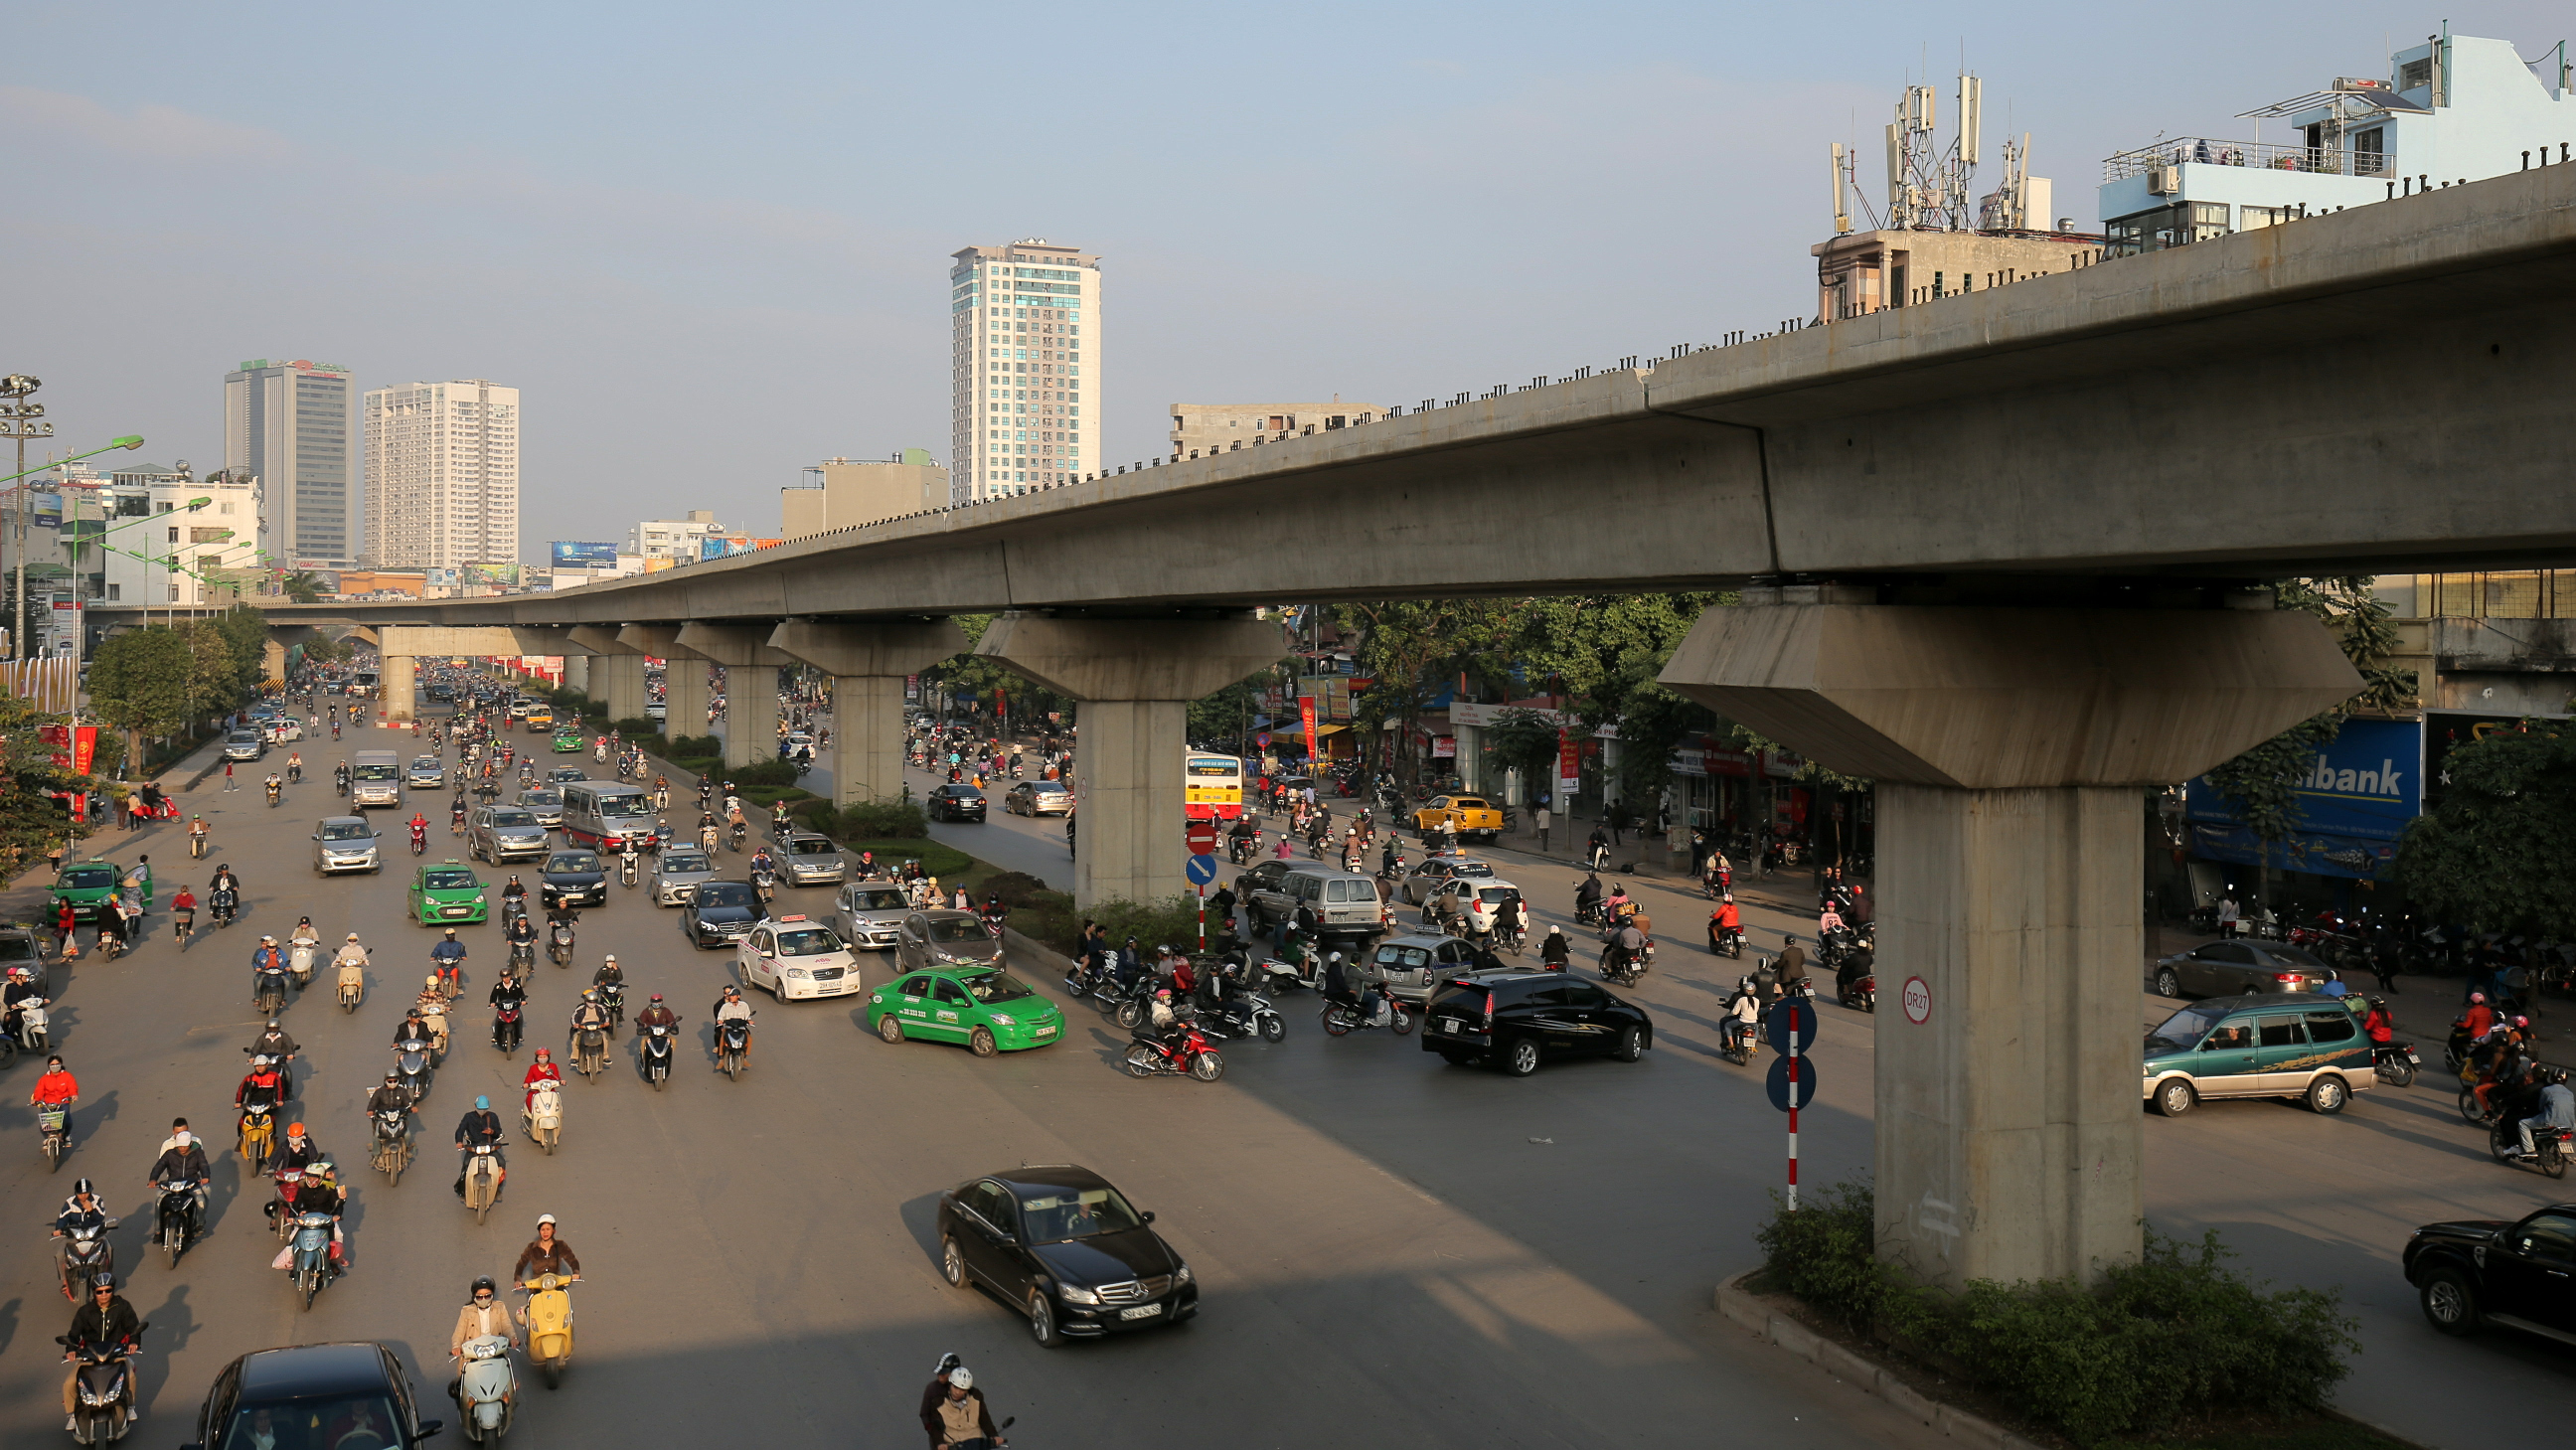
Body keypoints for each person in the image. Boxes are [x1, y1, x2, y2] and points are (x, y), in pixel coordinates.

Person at [61, 1272, 142, 1429]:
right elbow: (74, 1334)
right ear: (94, 1292)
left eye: (108, 1290)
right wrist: (71, 1349)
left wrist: (134, 1343)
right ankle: (72, 1415)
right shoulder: (84, 1311)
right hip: (90, 1356)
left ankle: (130, 1407)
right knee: (69, 1383)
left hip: (117, 1353)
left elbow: (134, 1328)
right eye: (100, 1291)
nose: (104, 1295)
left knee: (130, 1376)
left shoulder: (123, 1306)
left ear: (113, 1290)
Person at [146, 1127, 212, 1240]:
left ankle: (199, 1224)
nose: (182, 1149)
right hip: (172, 1184)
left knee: (200, 1201)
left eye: (184, 1146)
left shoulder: (198, 1153)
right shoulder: (169, 1154)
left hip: (192, 1184)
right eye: (180, 1146)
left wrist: (205, 1177)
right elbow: (159, 1166)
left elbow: (203, 1165)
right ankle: (157, 1231)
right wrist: (153, 1179)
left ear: (190, 1143)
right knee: (159, 1201)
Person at [52, 1179, 109, 1300]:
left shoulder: (97, 1200)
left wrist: (91, 1210)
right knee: (60, 1254)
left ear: (91, 1191)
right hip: (74, 1236)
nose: (83, 1196)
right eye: (80, 1193)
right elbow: (62, 1218)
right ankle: (65, 1282)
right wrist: (59, 1229)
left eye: (86, 1193)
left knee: (108, 1248)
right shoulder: (70, 1202)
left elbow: (100, 1218)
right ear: (76, 1193)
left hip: (94, 1234)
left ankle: (107, 1276)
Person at [927, 1365, 1007, 1449]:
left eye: (962, 1389)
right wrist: (940, 1443)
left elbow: (984, 1419)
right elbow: (936, 1427)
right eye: (955, 1387)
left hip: (975, 1444)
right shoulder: (938, 1402)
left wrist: (994, 1435)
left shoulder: (976, 1398)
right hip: (952, 1445)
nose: (957, 1392)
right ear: (950, 1384)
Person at [2515, 1066, 2576, 1158]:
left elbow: (2541, 1107)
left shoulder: (2546, 1090)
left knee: (2523, 1124)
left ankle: (2530, 1150)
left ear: (2551, 1078)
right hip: (2569, 1124)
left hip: (2550, 1121)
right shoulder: (2570, 1093)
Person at [513, 1212, 581, 1287]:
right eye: (543, 1230)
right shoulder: (531, 1248)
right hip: (537, 1288)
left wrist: (576, 1272)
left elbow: (572, 1260)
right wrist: (518, 1280)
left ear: (553, 1231)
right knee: (533, 1298)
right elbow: (521, 1264)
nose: (545, 1233)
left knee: (564, 1298)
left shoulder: (560, 1245)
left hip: (557, 1286)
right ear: (539, 1231)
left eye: (548, 1229)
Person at [248, 1019, 302, 1099]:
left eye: (274, 1029)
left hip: (280, 1061)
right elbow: (256, 1048)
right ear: (266, 1028)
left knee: (287, 1074)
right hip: (265, 1062)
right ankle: (252, 1095)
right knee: (255, 1076)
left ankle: (288, 1093)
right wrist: (252, 1057)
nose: (272, 1031)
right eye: (270, 1028)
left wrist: (290, 1054)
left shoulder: (284, 1036)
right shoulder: (262, 1037)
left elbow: (290, 1046)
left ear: (278, 1028)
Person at [713, 984, 754, 1068]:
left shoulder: (744, 1005)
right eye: (730, 995)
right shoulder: (725, 1006)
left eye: (733, 995)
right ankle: (721, 1059)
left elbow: (747, 1016)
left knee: (749, 1038)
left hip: (740, 1028)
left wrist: (749, 1021)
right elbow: (719, 1017)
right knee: (722, 1038)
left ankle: (745, 1057)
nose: (730, 997)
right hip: (728, 1027)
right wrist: (720, 1021)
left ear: (738, 996)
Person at [430, 927, 468, 996]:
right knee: (436, 969)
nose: (450, 937)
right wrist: (433, 956)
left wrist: (463, 956)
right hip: (442, 962)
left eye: (452, 935)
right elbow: (436, 951)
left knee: (460, 969)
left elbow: (462, 952)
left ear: (454, 935)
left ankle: (459, 986)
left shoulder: (459, 944)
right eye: (448, 935)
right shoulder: (441, 944)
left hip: (454, 962)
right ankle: (435, 985)